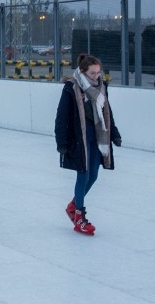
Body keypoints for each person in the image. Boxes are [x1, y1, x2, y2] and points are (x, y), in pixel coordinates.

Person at [54, 54, 122, 236]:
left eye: (99, 73)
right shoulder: (71, 88)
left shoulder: (101, 87)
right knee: (83, 175)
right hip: (79, 140)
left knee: (93, 176)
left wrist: (114, 133)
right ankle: (79, 217)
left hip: (98, 137)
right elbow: (61, 117)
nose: (97, 76)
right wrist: (61, 143)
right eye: (93, 73)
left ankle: (73, 205)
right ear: (83, 72)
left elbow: (107, 112)